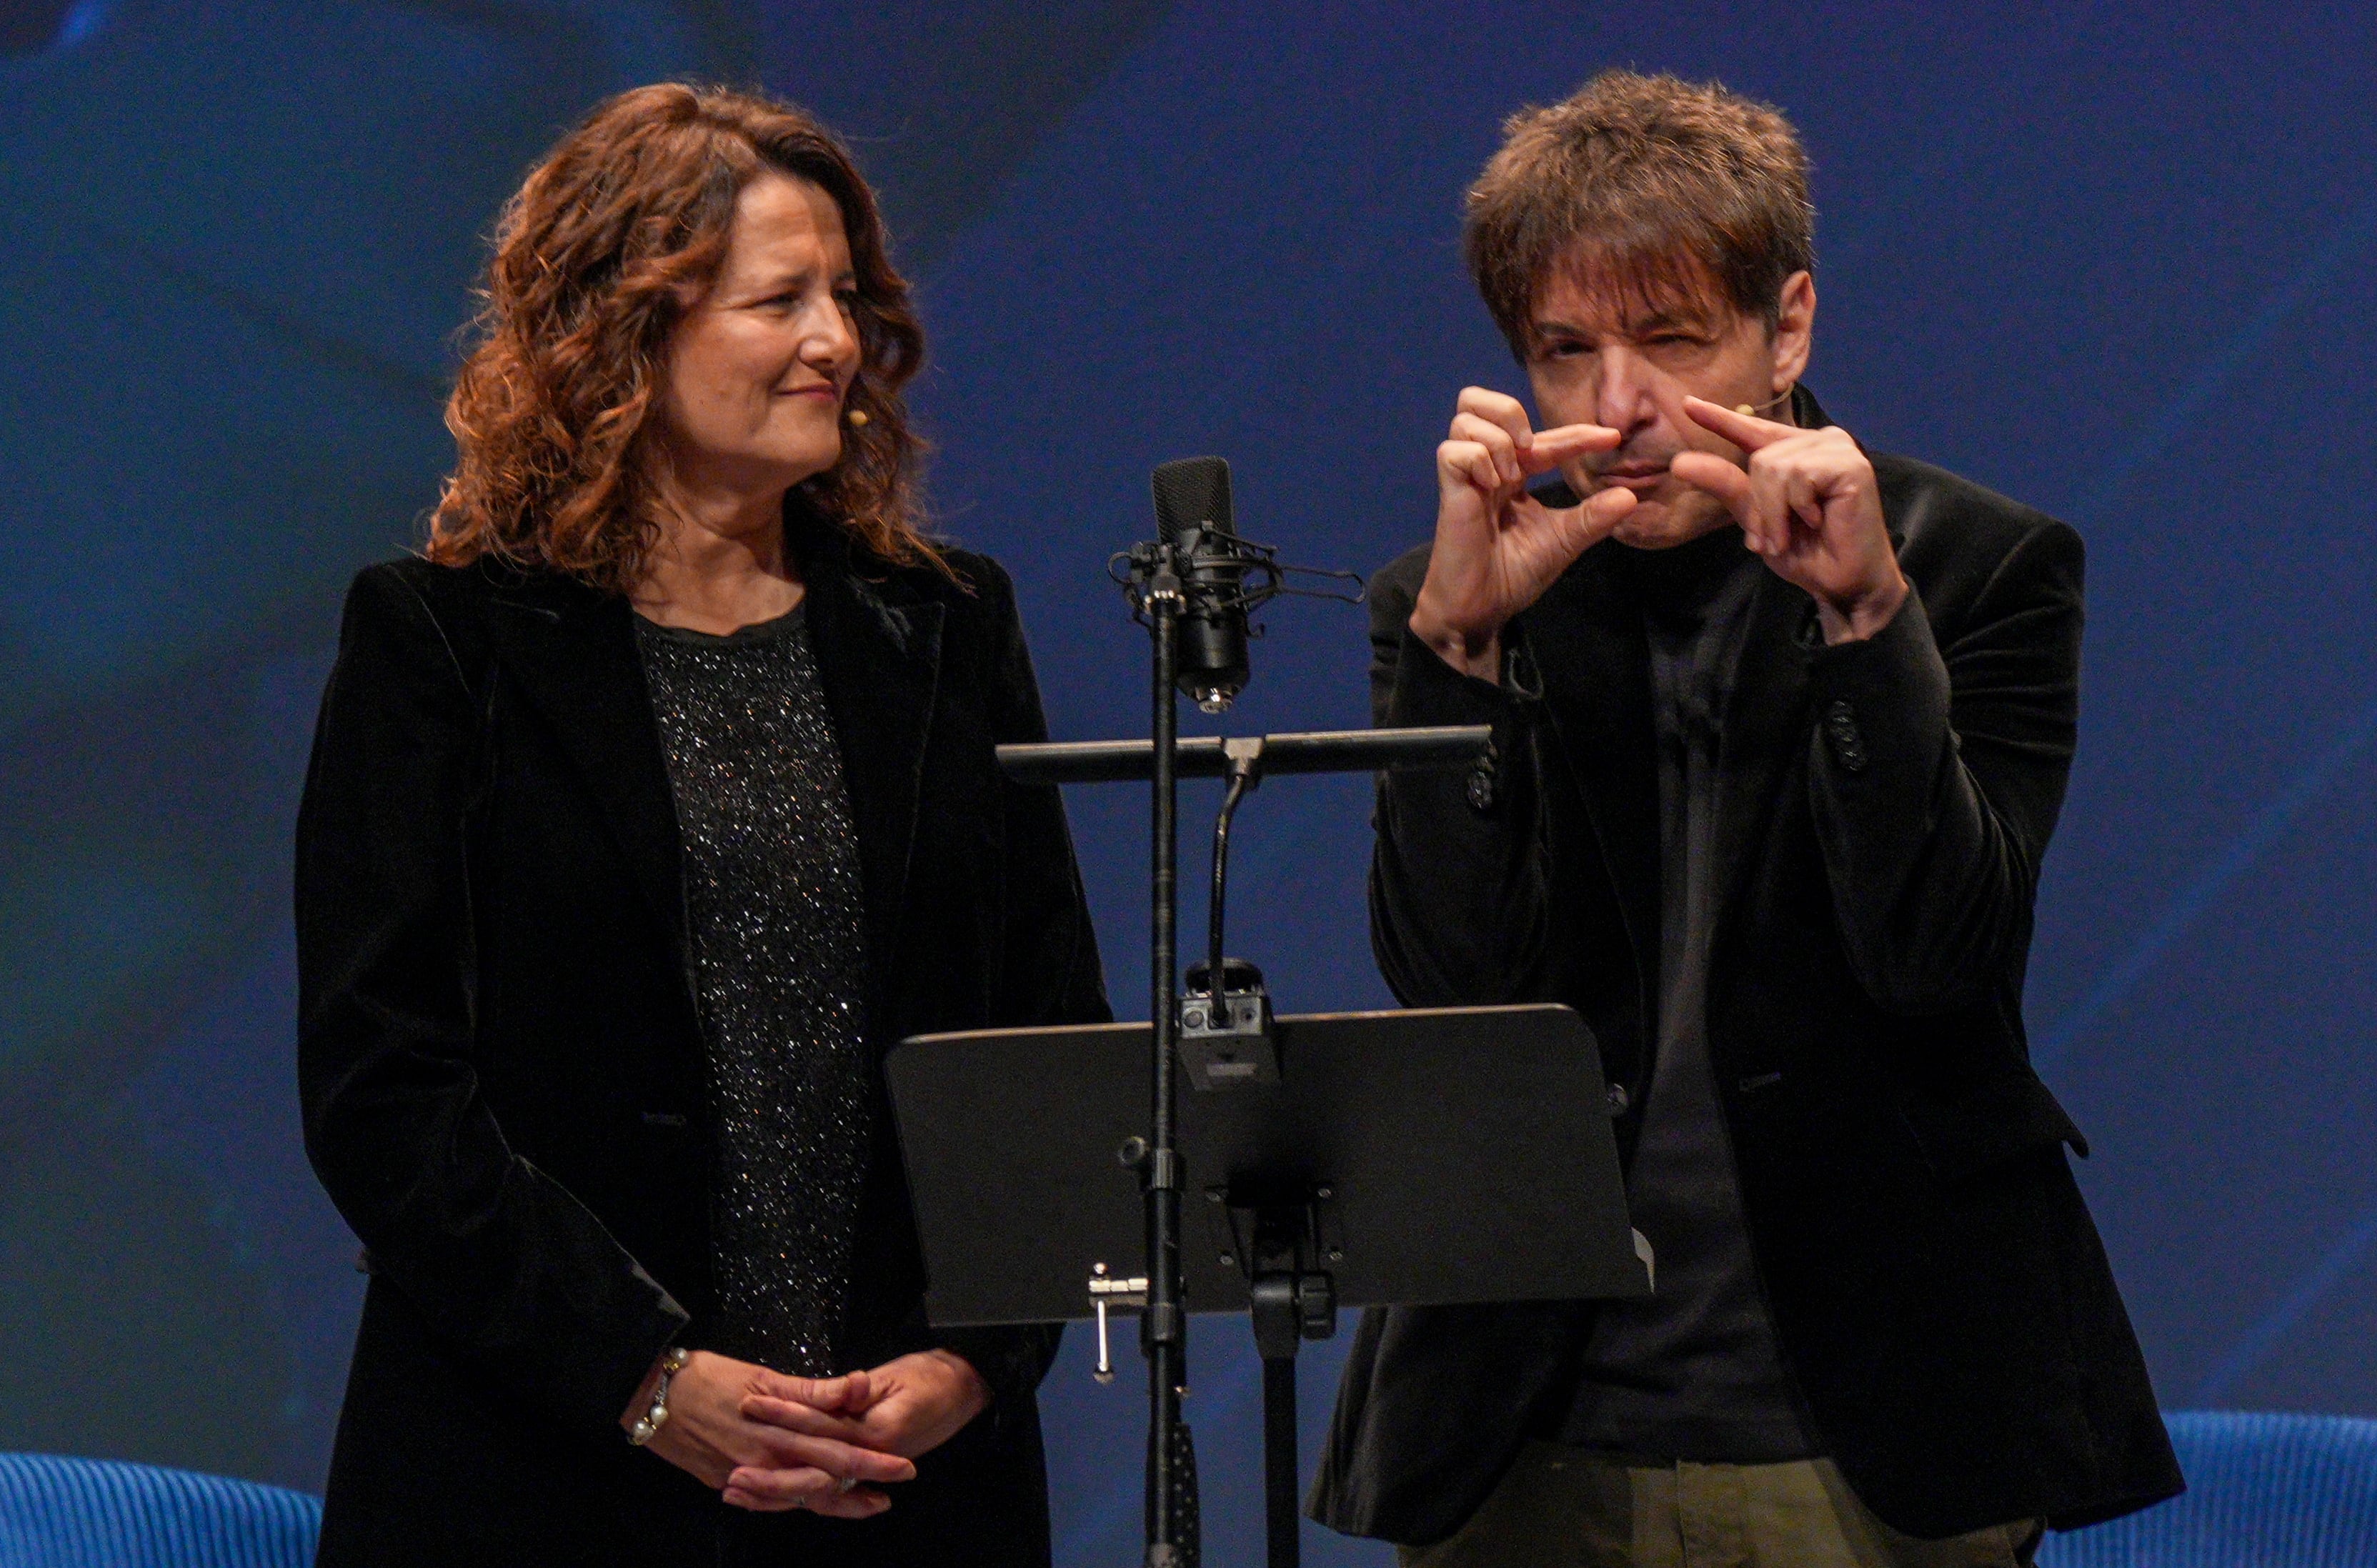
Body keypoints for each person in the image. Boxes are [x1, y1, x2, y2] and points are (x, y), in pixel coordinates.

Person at [1309, 71, 2183, 1567]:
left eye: (1670, 338)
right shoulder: (1453, 593)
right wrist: (1461, 662)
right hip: (1522, 1421)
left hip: (1877, 1422)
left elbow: (1937, 959)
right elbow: (1451, 990)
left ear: (1787, 328)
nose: (1621, 407)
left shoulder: (1973, 569)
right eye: (1565, 352)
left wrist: (1865, 622)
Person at [296, 84, 1107, 1567]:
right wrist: (646, 1381)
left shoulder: (942, 627)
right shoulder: (443, 644)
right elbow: (385, 1094)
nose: (836, 343)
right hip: (540, 1474)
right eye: (778, 299)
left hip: (902, 1479)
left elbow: (1043, 1045)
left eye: (846, 297)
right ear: (622, 334)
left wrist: (972, 1361)